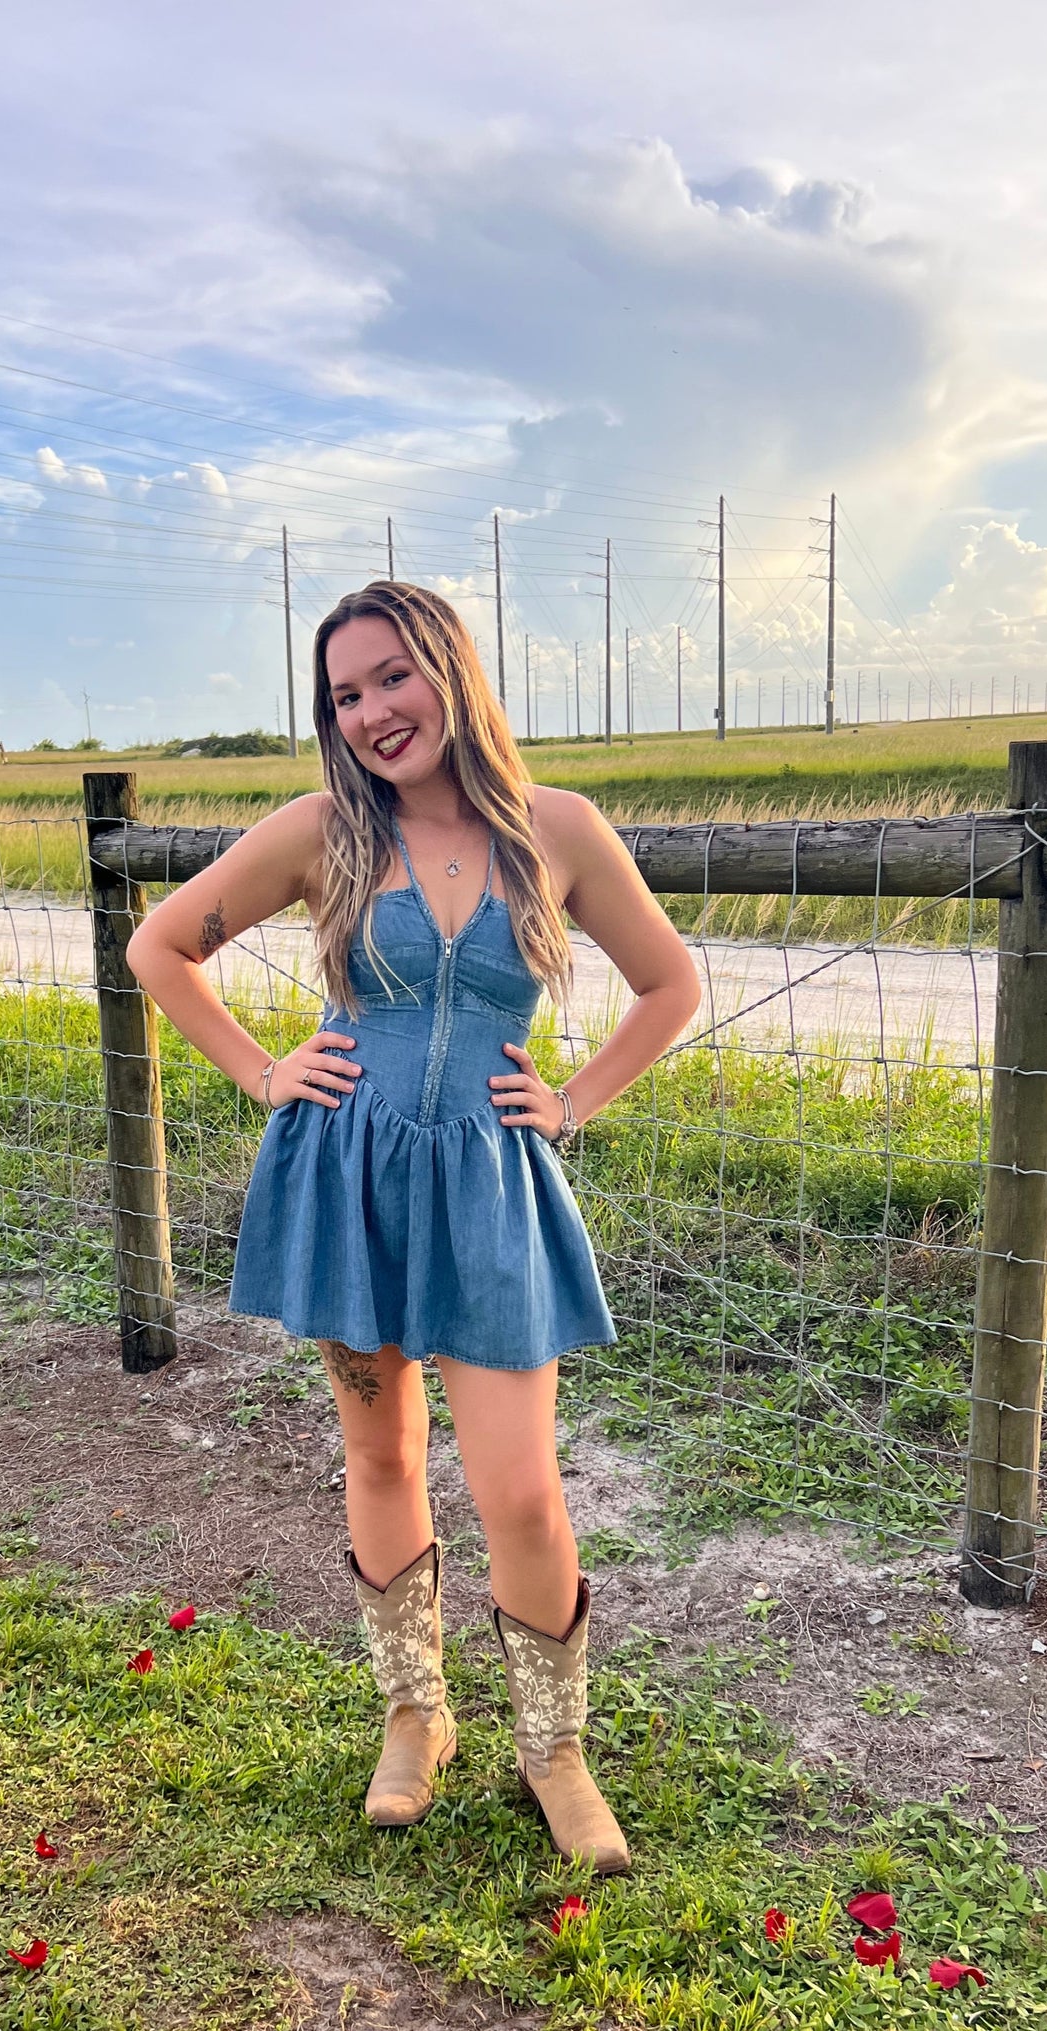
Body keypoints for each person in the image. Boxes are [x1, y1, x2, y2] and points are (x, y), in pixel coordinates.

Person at [127, 582, 700, 1874]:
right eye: (344, 694)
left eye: (391, 676)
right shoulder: (319, 830)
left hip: (490, 1188)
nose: (373, 711)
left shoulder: (558, 829)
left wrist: (572, 1100)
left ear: (449, 669)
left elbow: (669, 983)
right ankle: (416, 1717)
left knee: (521, 1491)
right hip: (349, 1180)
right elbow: (162, 948)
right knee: (381, 1457)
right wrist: (263, 1071)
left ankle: (552, 1749)